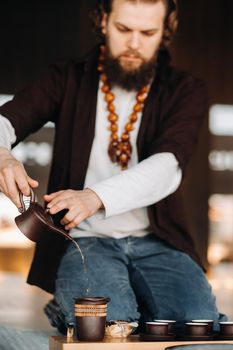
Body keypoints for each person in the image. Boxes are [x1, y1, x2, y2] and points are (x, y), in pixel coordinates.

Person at [0, 0, 226, 335]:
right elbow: (7, 120)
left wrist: (94, 197)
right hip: (86, 241)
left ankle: (71, 304)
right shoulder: (68, 78)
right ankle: (71, 303)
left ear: (166, 31)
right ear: (103, 21)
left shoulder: (185, 90)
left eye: (147, 32)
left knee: (198, 328)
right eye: (123, 29)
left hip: (157, 241)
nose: (134, 43)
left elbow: (168, 166)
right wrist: (3, 155)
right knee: (107, 330)